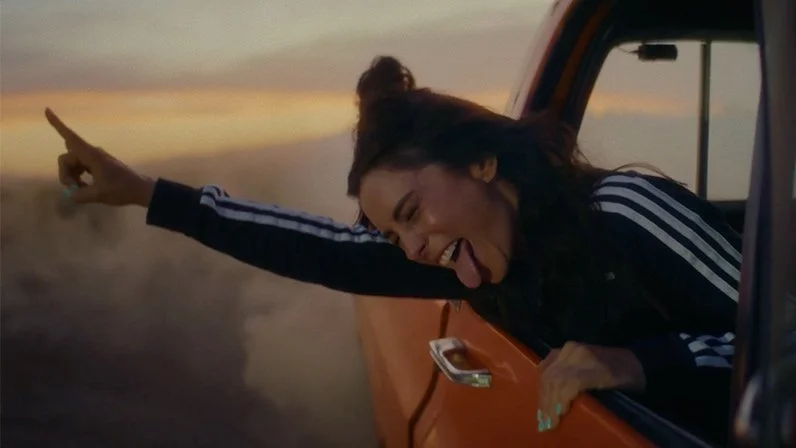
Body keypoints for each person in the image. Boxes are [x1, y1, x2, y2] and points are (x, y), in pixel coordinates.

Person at [47, 56, 739, 439]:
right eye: (392, 236)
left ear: (482, 163)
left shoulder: (624, 212)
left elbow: (782, 343)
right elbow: (316, 248)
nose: (411, 250)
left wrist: (640, 362)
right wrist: (145, 193)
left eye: (411, 215)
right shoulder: (471, 260)